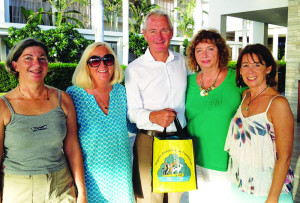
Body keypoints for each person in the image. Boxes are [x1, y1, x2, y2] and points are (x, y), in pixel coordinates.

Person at [0, 38, 87, 202]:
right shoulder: (4, 107)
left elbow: (72, 147)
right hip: (19, 190)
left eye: (42, 58)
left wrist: (81, 192)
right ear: (15, 65)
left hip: (61, 186)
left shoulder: (64, 100)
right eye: (28, 58)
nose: (37, 63)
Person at [125, 10, 188, 203]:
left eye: (164, 30)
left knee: (176, 198)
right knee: (149, 199)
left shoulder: (183, 63)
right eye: (153, 31)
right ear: (144, 34)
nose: (159, 37)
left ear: (171, 32)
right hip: (148, 142)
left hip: (179, 140)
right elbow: (132, 113)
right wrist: (153, 116)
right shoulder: (134, 69)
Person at [66, 42, 136, 202]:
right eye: (95, 60)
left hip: (121, 177)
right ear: (86, 66)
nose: (102, 64)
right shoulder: (74, 95)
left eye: (108, 59)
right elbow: (66, 139)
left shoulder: (121, 91)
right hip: (91, 179)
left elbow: (134, 125)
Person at [224, 44, 294, 203]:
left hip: (268, 192)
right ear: (240, 70)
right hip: (240, 186)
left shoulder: (278, 103)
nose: (250, 71)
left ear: (268, 69)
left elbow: (285, 157)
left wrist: (272, 199)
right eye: (245, 65)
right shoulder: (245, 95)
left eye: (257, 65)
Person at [185, 29, 245, 202]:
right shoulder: (188, 82)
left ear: (220, 51)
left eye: (210, 48)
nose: (204, 54)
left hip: (227, 162)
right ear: (193, 55)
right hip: (193, 159)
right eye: (199, 50)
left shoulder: (238, 80)